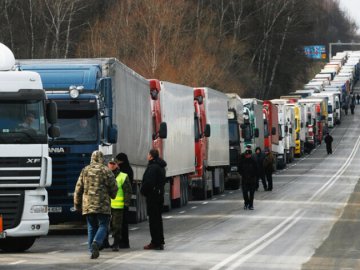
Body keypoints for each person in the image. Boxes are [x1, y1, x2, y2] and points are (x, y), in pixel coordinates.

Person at [74, 150, 118, 259]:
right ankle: (96, 242)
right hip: (103, 204)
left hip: (88, 205)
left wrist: (77, 204)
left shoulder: (85, 170)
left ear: (91, 158)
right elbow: (114, 187)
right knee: (103, 225)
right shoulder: (106, 171)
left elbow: (78, 189)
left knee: (91, 226)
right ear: (102, 158)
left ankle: (92, 250)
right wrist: (113, 195)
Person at [141, 149, 167, 250]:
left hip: (153, 197)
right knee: (158, 219)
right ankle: (160, 241)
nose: (147, 156)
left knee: (153, 221)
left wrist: (143, 191)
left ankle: (155, 242)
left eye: (148, 154)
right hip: (159, 196)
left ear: (151, 156)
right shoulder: (161, 167)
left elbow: (149, 183)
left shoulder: (153, 167)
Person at [110, 158, 133, 252]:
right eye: (110, 164)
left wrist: (126, 203)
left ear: (117, 165)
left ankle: (116, 243)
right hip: (106, 205)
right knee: (109, 225)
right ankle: (107, 243)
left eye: (113, 164)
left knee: (117, 226)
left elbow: (128, 191)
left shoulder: (123, 176)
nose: (111, 166)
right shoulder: (107, 176)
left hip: (118, 206)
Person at [115, 152, 134, 249]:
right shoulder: (129, 169)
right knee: (123, 222)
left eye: (117, 160)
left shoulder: (122, 171)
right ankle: (124, 241)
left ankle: (123, 242)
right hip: (124, 200)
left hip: (120, 200)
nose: (116, 163)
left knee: (121, 223)